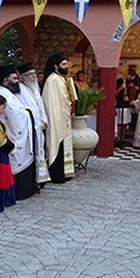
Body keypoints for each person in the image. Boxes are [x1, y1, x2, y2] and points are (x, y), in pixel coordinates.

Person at [0, 64, 37, 200]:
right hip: (14, 136)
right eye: (14, 78)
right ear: (5, 80)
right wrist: (28, 113)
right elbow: (14, 116)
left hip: (19, 136)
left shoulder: (10, 93)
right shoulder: (1, 94)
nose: (17, 81)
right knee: (17, 160)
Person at [42, 52, 76, 183]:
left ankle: (64, 173)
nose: (66, 66)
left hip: (63, 118)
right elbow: (52, 104)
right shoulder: (52, 80)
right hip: (56, 119)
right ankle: (56, 174)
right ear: (56, 66)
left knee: (63, 146)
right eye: (63, 64)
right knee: (57, 145)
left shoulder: (61, 79)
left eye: (66, 64)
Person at [17, 62, 51, 185]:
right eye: (30, 74)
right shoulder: (20, 89)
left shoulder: (35, 88)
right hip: (31, 127)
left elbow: (40, 106)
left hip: (40, 126)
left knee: (40, 150)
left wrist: (44, 119)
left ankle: (42, 176)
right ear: (23, 77)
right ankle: (36, 178)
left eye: (34, 74)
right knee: (34, 152)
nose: (34, 77)